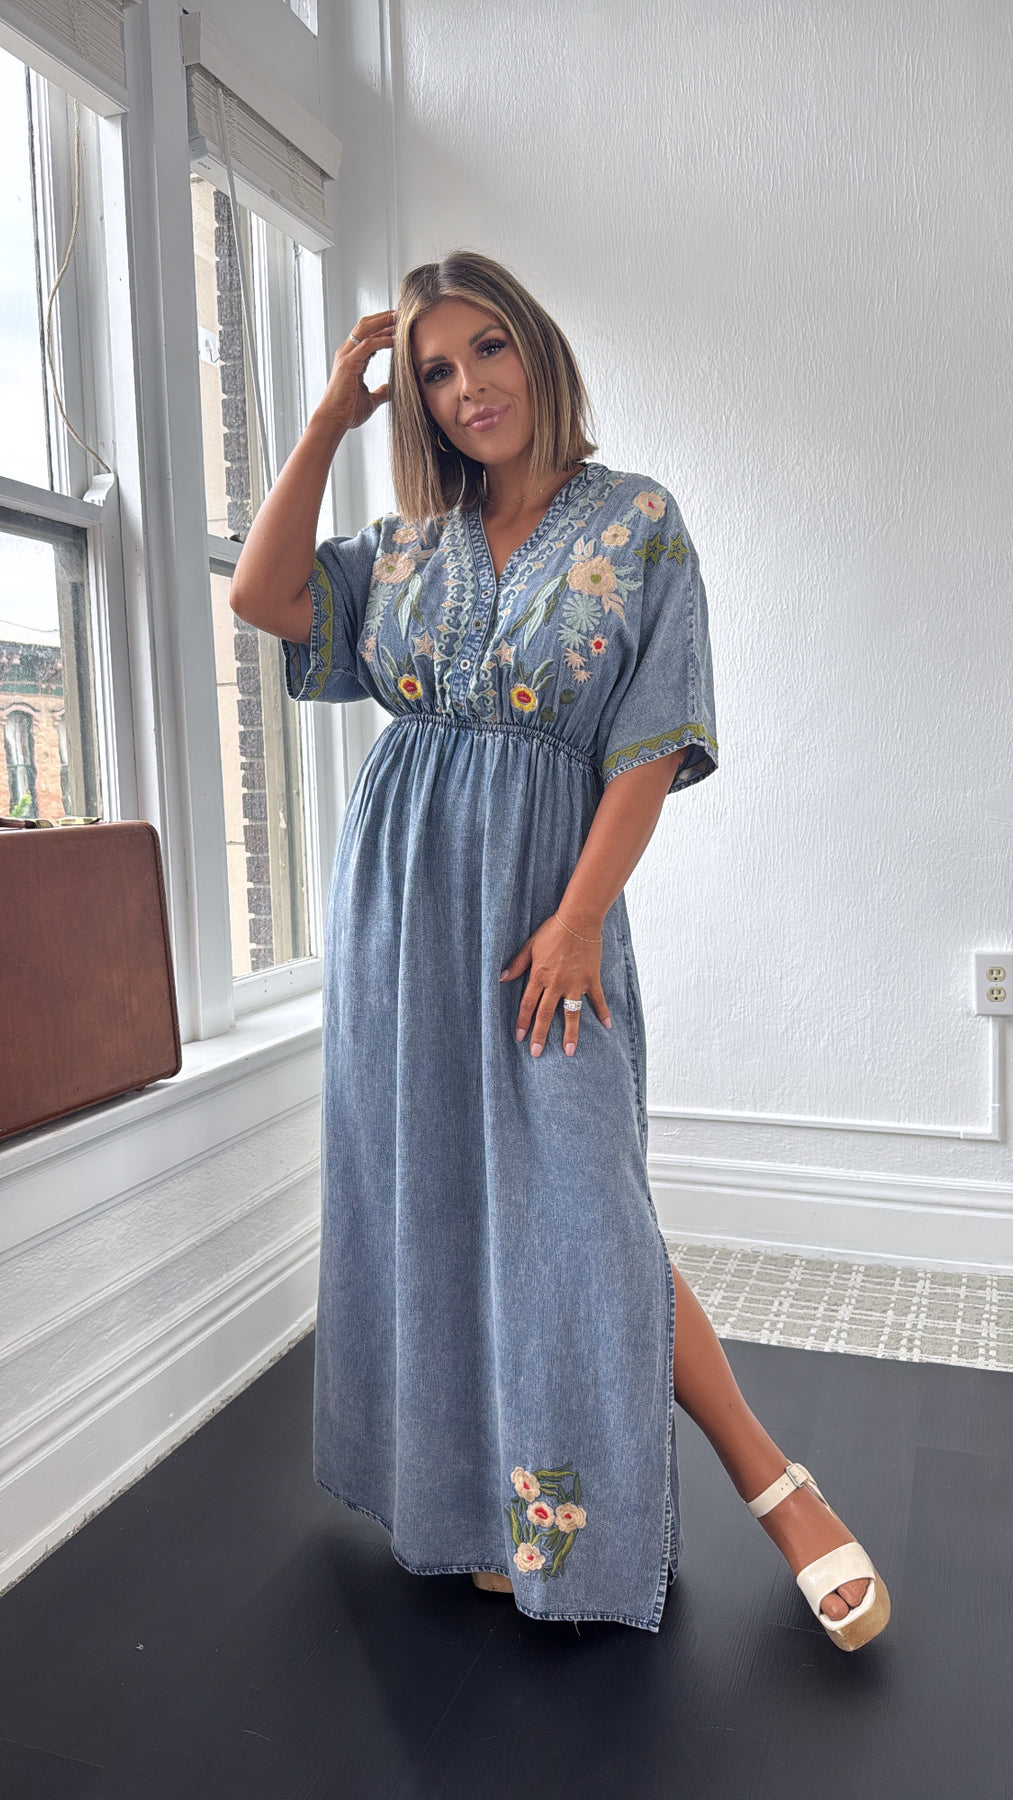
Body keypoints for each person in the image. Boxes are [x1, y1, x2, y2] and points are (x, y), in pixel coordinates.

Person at [230, 250, 889, 1649]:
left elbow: (650, 738)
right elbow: (264, 598)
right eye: (434, 371)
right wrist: (328, 422)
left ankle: (776, 1490)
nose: (467, 387)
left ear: (536, 348)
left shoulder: (638, 522)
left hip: (546, 912)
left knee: (587, 1216)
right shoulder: (406, 548)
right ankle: (483, 1513)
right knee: (433, 1203)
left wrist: (581, 915)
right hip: (401, 915)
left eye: (488, 349)